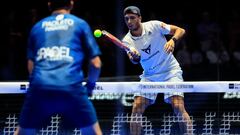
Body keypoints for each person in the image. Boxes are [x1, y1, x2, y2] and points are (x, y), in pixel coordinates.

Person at [14, 0, 102, 134]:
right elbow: (96, 63)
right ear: (71, 4)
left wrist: (37, 88)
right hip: (72, 88)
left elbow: (31, 65)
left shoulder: (37, 27)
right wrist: (89, 87)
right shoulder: (80, 24)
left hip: (40, 87)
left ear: (49, 5)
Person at [121, 6, 193, 135]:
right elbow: (133, 60)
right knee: (136, 108)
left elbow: (180, 30)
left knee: (178, 106)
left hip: (170, 71)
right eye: (127, 19)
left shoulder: (154, 26)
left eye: (132, 18)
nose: (129, 21)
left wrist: (173, 40)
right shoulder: (127, 41)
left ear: (139, 18)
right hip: (149, 75)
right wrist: (135, 57)